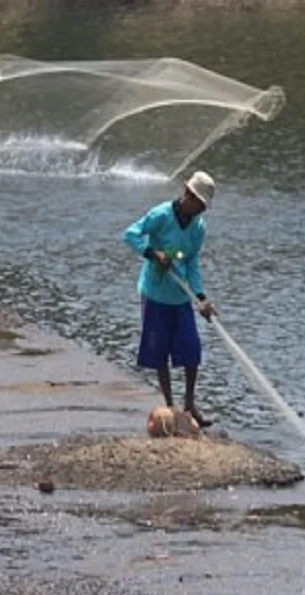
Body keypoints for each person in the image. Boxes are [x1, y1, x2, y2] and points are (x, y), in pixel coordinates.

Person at [123, 170, 217, 428]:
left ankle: (189, 405)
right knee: (160, 351)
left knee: (191, 349)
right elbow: (130, 234)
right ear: (188, 195)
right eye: (199, 204)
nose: (201, 211)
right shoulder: (161, 215)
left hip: (180, 295)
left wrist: (201, 298)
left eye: (204, 207)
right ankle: (170, 405)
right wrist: (154, 254)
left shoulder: (198, 227)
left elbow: (192, 262)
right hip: (155, 293)